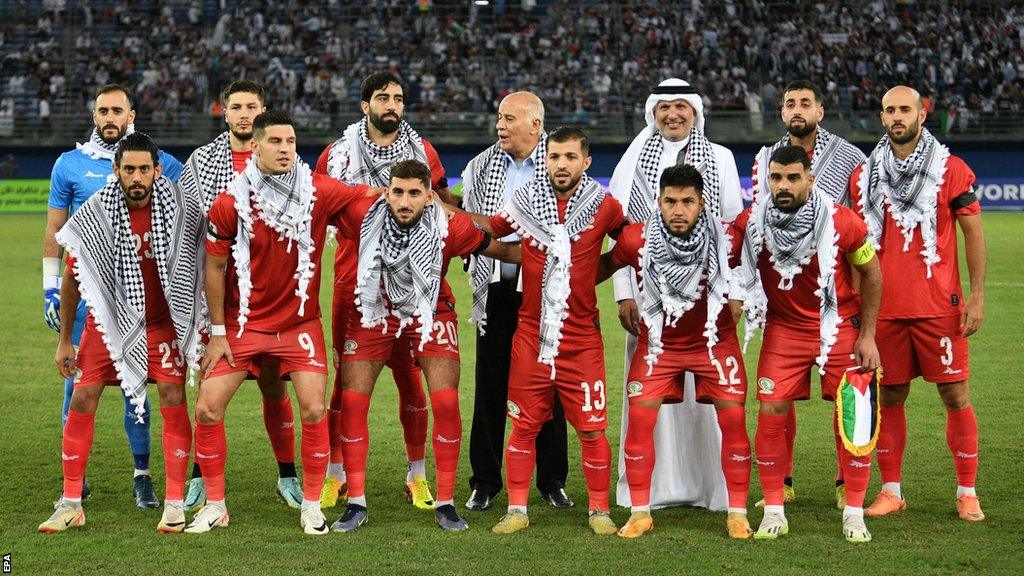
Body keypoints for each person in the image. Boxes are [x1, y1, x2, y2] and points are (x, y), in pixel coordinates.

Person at [185, 111, 371, 535]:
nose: (286, 148)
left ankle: (310, 504)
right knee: (208, 407)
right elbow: (213, 269)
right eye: (276, 142)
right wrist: (217, 332)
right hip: (243, 325)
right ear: (256, 146)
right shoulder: (230, 201)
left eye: (290, 141)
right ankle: (215, 505)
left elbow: (367, 195)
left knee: (313, 408)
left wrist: (412, 197)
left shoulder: (318, 190)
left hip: (300, 325)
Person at [328, 159, 519, 533]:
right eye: (397, 192)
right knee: (352, 401)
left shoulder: (451, 225)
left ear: (430, 196)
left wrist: (563, 260)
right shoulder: (360, 213)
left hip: (431, 311)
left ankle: (446, 503)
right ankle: (356, 503)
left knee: (446, 401)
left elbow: (502, 250)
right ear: (387, 191)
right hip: (374, 310)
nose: (404, 201)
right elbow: (318, 207)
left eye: (414, 193)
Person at [39, 133, 204, 533]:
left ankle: (175, 502)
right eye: (128, 169)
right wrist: (65, 339)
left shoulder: (182, 208)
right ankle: (71, 502)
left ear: (157, 170)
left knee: (172, 396)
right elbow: (75, 278)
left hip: (163, 323)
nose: (136, 177)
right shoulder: (96, 212)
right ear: (116, 171)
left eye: (143, 169)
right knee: (82, 398)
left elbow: (205, 263)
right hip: (108, 322)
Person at [465, 126, 625, 535]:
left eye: (570, 157)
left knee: (591, 428)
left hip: (582, 338)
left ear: (586, 162)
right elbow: (492, 228)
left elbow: (630, 244)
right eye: (554, 157)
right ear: (546, 159)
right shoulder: (525, 202)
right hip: (531, 334)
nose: (561, 164)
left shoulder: (603, 206)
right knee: (524, 423)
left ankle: (600, 511)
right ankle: (517, 510)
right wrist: (449, 215)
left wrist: (594, 276)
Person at [849, 85, 987, 522]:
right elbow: (854, 245)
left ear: (922, 115)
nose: (897, 117)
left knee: (955, 393)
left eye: (905, 109)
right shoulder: (864, 174)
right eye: (889, 110)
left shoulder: (951, 169)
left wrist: (977, 296)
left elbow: (973, 233)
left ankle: (967, 491)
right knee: (889, 397)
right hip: (883, 311)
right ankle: (892, 490)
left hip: (938, 308)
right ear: (882, 116)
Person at [314, 72, 451, 510]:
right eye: (381, 97)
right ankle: (336, 475)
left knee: (411, 378)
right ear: (364, 105)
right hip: (353, 285)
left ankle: (417, 475)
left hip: (412, 287)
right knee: (345, 381)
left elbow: (444, 207)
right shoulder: (336, 154)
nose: (391, 105)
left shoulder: (422, 152)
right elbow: (319, 207)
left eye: (397, 98)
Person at [733, 145, 882, 543]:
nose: (783, 185)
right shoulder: (752, 222)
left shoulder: (841, 220)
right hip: (784, 330)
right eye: (776, 177)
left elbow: (871, 273)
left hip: (839, 328)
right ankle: (774, 509)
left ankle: (853, 512)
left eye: (793, 177)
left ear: (810, 179)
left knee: (855, 414)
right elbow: (725, 265)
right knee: (771, 409)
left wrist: (867, 334)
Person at [608, 78, 743, 511]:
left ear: (696, 112)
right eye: (664, 107)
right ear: (653, 112)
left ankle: (712, 491)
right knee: (647, 402)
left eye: (681, 107)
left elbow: (734, 232)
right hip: (650, 304)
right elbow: (620, 234)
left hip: (709, 308)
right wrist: (623, 294)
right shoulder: (632, 158)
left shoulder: (719, 158)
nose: (672, 115)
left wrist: (735, 294)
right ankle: (652, 492)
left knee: (713, 405)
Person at [599, 164, 752, 539]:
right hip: (659, 348)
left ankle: (737, 513)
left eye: (687, 201)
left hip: (714, 344)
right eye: (670, 201)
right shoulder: (637, 239)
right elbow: (597, 267)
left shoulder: (725, 239)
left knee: (733, 421)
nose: (678, 210)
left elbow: (758, 259)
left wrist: (740, 294)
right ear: (659, 201)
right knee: (639, 421)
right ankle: (639, 512)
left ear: (702, 203)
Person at [178, 80, 303, 511]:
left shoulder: (283, 156)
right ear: (225, 113)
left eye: (252, 106)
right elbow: (190, 226)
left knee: (273, 384)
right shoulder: (202, 161)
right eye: (237, 107)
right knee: (211, 385)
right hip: (216, 295)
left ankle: (287, 475)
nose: (245, 113)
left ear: (263, 110)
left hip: (271, 297)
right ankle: (200, 474)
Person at [750, 79, 867, 508]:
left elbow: (863, 218)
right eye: (789, 104)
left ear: (820, 110)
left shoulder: (852, 156)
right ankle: (783, 481)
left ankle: (844, 484)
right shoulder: (766, 157)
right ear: (781, 113)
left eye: (805, 103)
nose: (796, 109)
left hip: (836, 296)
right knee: (779, 398)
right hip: (786, 295)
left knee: (847, 400)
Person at [458, 91, 571, 512]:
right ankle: (485, 481)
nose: (500, 125)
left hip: (543, 293)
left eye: (509, 118)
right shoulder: (479, 166)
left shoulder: (559, 162)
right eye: (499, 118)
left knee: (549, 386)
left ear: (535, 125)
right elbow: (470, 222)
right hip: (494, 290)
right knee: (489, 384)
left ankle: (552, 480)